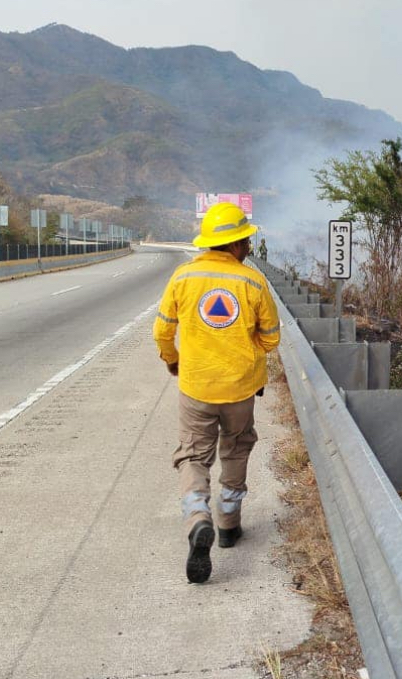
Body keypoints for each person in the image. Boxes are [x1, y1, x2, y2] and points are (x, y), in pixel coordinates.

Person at [153, 202, 280, 584]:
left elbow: (161, 332)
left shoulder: (183, 277)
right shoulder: (253, 282)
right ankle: (227, 524)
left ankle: (197, 519)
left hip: (196, 386)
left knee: (193, 454)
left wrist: (173, 360)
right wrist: (246, 351)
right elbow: (272, 340)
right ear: (237, 244)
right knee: (237, 447)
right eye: (246, 241)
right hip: (240, 388)